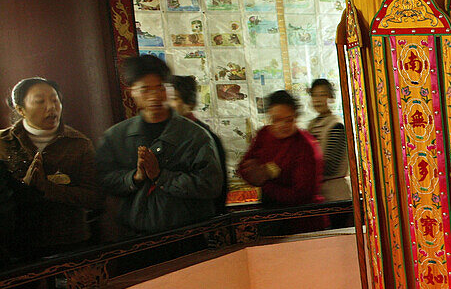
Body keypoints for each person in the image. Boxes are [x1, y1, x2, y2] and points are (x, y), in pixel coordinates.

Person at [96, 55, 222, 235]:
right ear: (132, 91)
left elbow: (211, 184)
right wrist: (135, 177)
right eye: (145, 89)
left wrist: (161, 176)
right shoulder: (116, 136)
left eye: (161, 87)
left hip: (186, 233)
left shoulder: (195, 135)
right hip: (134, 235)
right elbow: (104, 181)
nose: (155, 95)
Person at [0, 78, 102, 256]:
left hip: (69, 241)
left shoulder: (79, 143)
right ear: (20, 109)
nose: (51, 107)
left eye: (55, 100)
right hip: (17, 244)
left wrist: (48, 189)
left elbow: (94, 197)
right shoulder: (3, 143)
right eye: (40, 101)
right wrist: (25, 187)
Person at [237, 90, 322, 207]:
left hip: (300, 215)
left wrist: (265, 180)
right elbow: (244, 167)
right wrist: (254, 174)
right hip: (269, 208)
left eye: (288, 120)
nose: (282, 125)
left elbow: (302, 194)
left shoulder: (305, 146)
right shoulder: (264, 134)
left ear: (296, 117)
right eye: (276, 120)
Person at [167, 74, 227, 213]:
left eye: (174, 99)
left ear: (189, 103)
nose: (167, 104)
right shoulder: (167, 134)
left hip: (197, 217)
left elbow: (216, 187)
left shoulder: (205, 137)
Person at [305, 79, 351, 201]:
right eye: (314, 95)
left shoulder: (336, 125)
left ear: (331, 98)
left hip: (336, 195)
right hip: (319, 193)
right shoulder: (312, 124)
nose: (318, 99)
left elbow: (330, 166)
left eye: (322, 95)